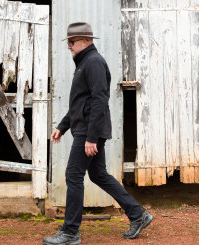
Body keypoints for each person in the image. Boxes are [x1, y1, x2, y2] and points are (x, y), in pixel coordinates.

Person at [43, 22, 153, 245]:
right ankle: (138, 214)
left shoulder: (93, 62)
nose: (69, 47)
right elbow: (80, 103)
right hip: (87, 129)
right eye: (68, 42)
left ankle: (70, 232)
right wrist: (62, 126)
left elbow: (99, 100)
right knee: (98, 174)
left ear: (86, 41)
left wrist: (91, 137)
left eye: (72, 42)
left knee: (73, 176)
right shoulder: (84, 63)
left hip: (89, 132)